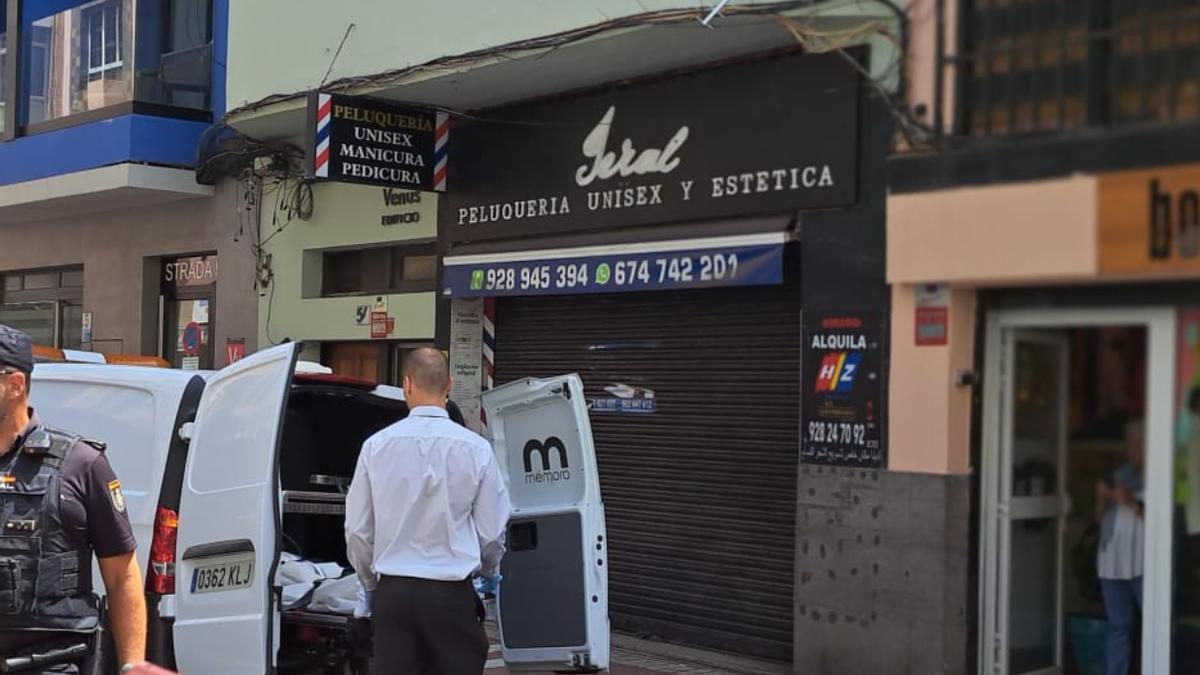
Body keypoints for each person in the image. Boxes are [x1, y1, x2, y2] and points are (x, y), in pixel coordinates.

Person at [345, 348, 511, 675]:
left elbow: (358, 532)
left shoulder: (375, 447)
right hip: (451, 596)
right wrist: (487, 573)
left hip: (394, 596)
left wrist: (370, 586)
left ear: (406, 385)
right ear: (449, 385)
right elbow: (492, 533)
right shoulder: (477, 450)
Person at [0, 325, 148, 674]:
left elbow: (121, 576)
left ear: (15, 385)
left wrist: (133, 665)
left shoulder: (81, 464)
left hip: (49, 661)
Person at [1095, 418, 1146, 675]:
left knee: (1158, 624)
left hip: (1144, 561)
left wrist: (1130, 501)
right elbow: (1100, 519)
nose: (1132, 450)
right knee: (1119, 627)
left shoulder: (1160, 475)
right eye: (1130, 444)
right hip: (1113, 561)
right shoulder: (1121, 475)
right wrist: (1102, 498)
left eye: (1138, 444)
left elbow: (1165, 522)